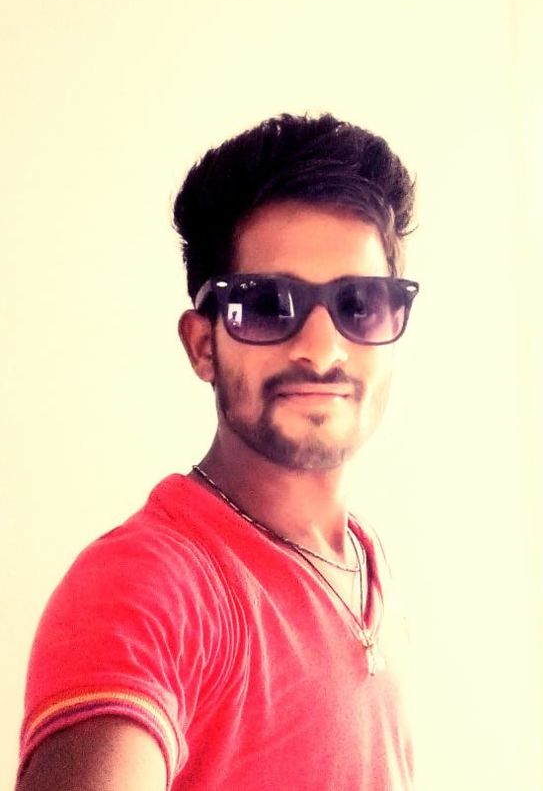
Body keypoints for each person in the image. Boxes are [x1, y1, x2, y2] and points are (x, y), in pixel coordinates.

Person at [16, 113, 420, 790]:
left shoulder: (363, 558)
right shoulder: (146, 587)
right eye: (266, 305)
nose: (322, 349)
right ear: (203, 344)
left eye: (360, 304)